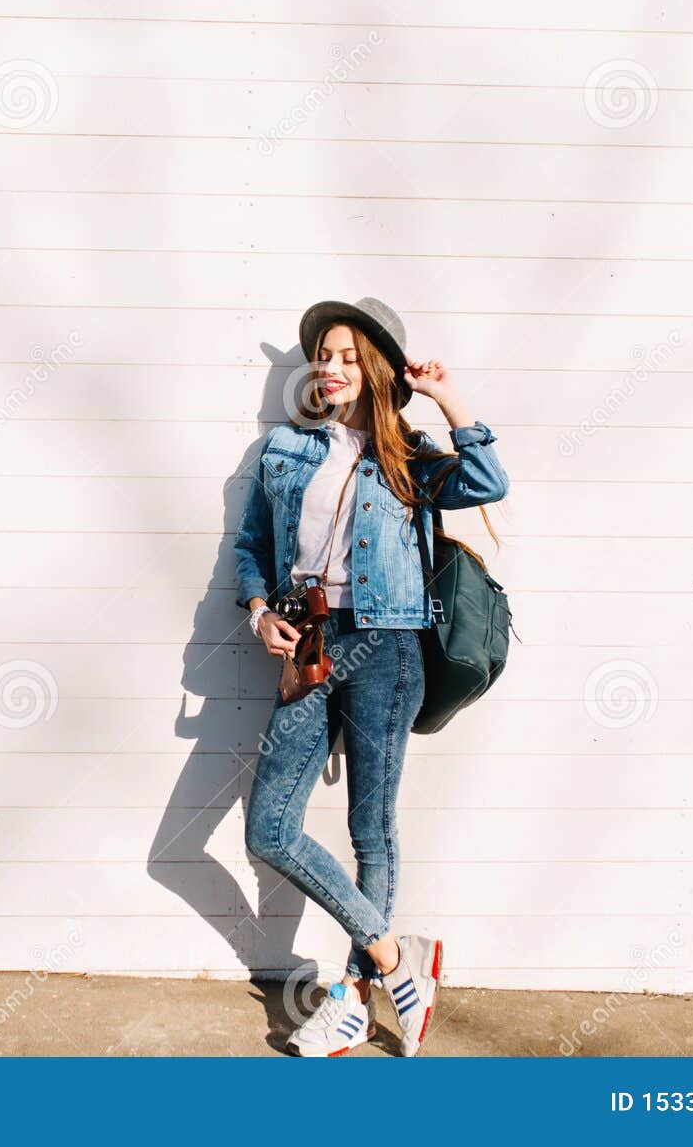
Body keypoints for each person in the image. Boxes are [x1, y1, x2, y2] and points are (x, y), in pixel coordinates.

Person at [234, 297, 509, 1056]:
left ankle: (351, 1000)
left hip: (388, 648)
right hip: (308, 644)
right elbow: (252, 542)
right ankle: (395, 958)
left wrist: (447, 397)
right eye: (324, 354)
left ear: (377, 367)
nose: (330, 367)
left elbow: (488, 479)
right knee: (270, 828)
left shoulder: (411, 459)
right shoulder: (285, 449)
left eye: (349, 355)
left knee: (370, 830)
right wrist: (260, 610)